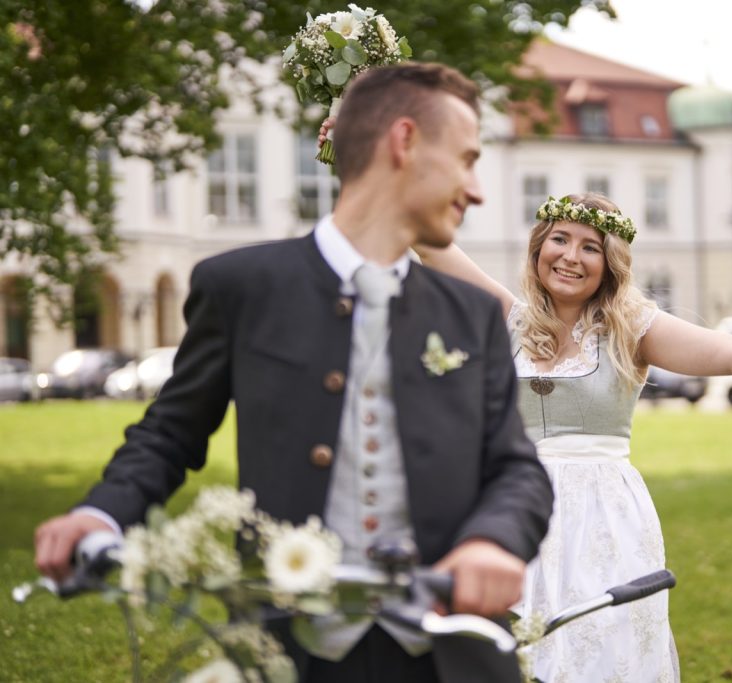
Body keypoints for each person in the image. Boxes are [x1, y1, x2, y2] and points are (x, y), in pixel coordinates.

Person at [33, 62, 554, 683]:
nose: (477, 190)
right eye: (467, 159)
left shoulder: (471, 315)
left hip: (444, 649)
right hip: (290, 647)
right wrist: (99, 515)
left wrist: (492, 540)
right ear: (404, 140)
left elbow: (517, 467)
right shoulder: (241, 287)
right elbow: (170, 432)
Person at [413, 192, 732, 682]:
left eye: (590, 247)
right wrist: (356, 154)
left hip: (603, 518)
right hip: (511, 508)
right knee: (510, 650)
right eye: (559, 239)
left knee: (601, 651)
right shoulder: (508, 319)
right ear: (538, 248)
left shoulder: (631, 330)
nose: (570, 256)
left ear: (609, 264)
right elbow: (429, 241)